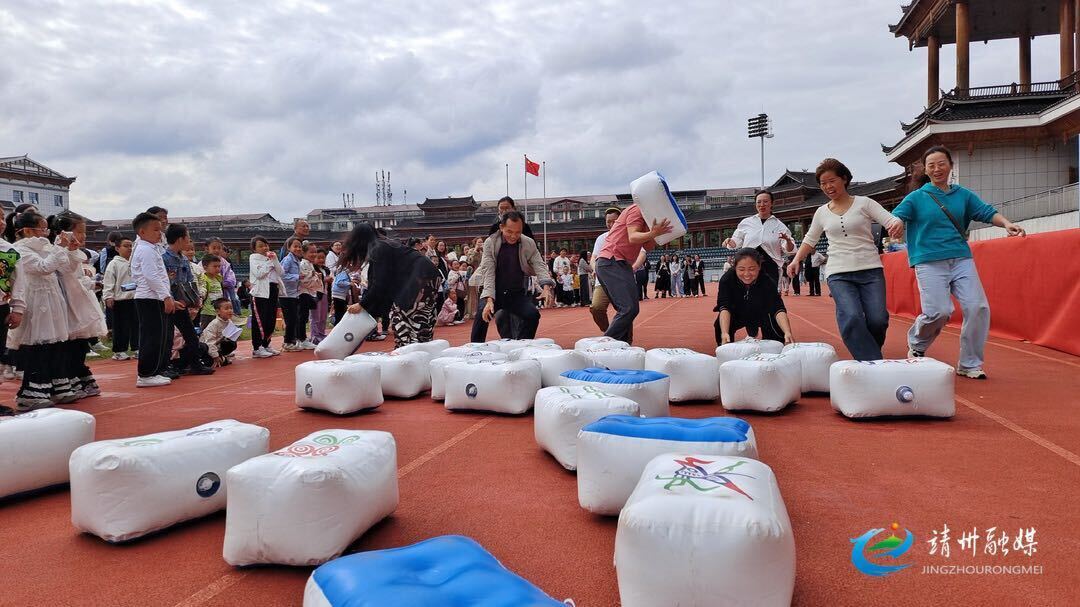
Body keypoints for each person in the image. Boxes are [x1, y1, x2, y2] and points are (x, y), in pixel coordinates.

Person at [891, 145, 1026, 379]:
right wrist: (896, 224)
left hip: (961, 258)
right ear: (926, 169)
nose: (937, 169)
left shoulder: (962, 194)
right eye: (931, 165)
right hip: (929, 260)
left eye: (941, 163)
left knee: (978, 307)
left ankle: (970, 363)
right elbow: (896, 217)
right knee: (939, 312)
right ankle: (917, 343)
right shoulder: (916, 197)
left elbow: (985, 211)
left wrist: (1006, 223)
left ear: (951, 166)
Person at [786, 158, 903, 361]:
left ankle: (870, 355)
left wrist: (897, 223)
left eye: (832, 181)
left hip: (870, 269)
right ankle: (872, 362)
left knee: (878, 319)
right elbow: (810, 239)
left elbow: (890, 219)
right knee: (851, 317)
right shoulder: (821, 212)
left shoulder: (865, 203)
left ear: (845, 179)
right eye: (823, 183)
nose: (828, 187)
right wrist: (796, 259)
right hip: (839, 272)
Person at [337, 222, 440, 348]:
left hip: (418, 279)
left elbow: (380, 282)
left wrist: (362, 304)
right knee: (421, 322)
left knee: (405, 321)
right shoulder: (384, 245)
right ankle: (420, 351)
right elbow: (378, 282)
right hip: (428, 276)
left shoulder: (379, 248)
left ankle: (409, 352)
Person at [594, 202, 672, 343]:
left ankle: (624, 345)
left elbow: (647, 246)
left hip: (621, 264)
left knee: (629, 309)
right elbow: (633, 237)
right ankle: (605, 344)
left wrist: (655, 234)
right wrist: (653, 233)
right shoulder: (637, 209)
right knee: (628, 308)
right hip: (612, 261)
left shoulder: (648, 217)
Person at [470, 211, 555, 342]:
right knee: (482, 315)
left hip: (515, 293)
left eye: (518, 232)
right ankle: (475, 349)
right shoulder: (490, 242)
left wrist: (546, 287)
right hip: (495, 292)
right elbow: (489, 271)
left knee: (532, 315)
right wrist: (489, 299)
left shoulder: (528, 243)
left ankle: (522, 345)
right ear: (501, 227)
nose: (513, 236)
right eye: (509, 232)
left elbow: (539, 264)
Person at [130, 212, 176, 387]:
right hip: (149, 297)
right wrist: (166, 296)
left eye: (161, 229)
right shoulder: (145, 249)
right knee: (151, 336)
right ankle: (146, 374)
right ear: (142, 232)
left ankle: (153, 371)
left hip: (153, 296)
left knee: (157, 336)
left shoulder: (150, 248)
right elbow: (151, 276)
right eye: (156, 230)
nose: (160, 233)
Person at [163, 224, 214, 375]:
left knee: (190, 334)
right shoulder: (163, 258)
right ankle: (167, 366)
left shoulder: (183, 259)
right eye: (188, 238)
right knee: (167, 336)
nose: (189, 241)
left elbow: (190, 280)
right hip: (169, 303)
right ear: (180, 239)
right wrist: (170, 299)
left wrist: (195, 297)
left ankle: (194, 363)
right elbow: (163, 281)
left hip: (183, 303)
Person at [715, 249, 794, 345]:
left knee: (775, 325)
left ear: (759, 267)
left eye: (752, 269)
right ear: (735, 267)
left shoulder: (767, 281)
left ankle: (776, 345)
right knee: (720, 325)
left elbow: (777, 308)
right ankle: (724, 345)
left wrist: (787, 331)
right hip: (737, 313)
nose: (747, 274)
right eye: (741, 269)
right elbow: (724, 307)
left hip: (761, 314)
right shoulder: (727, 280)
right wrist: (724, 332)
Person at [724, 191, 796, 285]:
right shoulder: (746, 222)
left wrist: (787, 241)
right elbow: (736, 242)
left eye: (765, 201)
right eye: (759, 202)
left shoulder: (780, 226)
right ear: (755, 204)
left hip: (770, 266)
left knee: (769, 296)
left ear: (772, 203)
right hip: (748, 265)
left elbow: (790, 250)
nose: (762, 205)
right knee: (745, 294)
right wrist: (729, 241)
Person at [248, 236, 285, 358]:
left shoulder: (271, 258)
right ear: (254, 249)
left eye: (266, 245)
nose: (264, 248)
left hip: (273, 289)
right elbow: (259, 274)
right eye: (260, 246)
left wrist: (274, 260)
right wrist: (269, 262)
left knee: (270, 319)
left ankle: (266, 344)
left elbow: (281, 272)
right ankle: (257, 347)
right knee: (260, 319)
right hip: (260, 292)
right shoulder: (253, 258)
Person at [102, 236, 138, 360]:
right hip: (120, 299)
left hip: (135, 298)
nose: (129, 248)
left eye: (131, 246)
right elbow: (108, 281)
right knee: (121, 326)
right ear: (117, 248)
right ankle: (119, 350)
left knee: (136, 325)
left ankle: (136, 348)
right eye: (126, 246)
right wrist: (108, 296)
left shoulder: (135, 262)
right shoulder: (114, 264)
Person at [278, 236, 304, 352]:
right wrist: (297, 277)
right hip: (286, 294)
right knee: (291, 319)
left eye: (299, 246)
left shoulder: (297, 260)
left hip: (294, 293)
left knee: (294, 318)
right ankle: (288, 342)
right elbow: (282, 275)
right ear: (289, 248)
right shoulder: (288, 260)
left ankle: (291, 340)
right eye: (295, 246)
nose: (298, 248)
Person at [199, 298, 238, 367]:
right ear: (218, 312)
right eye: (226, 309)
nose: (230, 311)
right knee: (210, 363)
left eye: (231, 308)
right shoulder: (214, 324)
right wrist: (215, 356)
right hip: (206, 348)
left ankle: (221, 356)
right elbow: (209, 342)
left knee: (232, 343)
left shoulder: (229, 322)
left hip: (217, 345)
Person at [297, 242, 321, 350]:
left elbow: (313, 282)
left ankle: (302, 338)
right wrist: (314, 278)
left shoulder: (310, 264)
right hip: (303, 293)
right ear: (304, 253)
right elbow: (304, 281)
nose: (314, 254)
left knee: (304, 316)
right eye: (311, 252)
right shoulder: (303, 264)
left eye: (315, 252)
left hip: (309, 292)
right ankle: (301, 339)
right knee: (302, 316)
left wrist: (314, 278)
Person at [309, 248, 332, 344]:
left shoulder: (326, 269)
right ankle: (314, 336)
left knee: (323, 316)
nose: (321, 260)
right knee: (315, 316)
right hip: (315, 294)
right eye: (319, 258)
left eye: (323, 258)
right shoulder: (312, 269)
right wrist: (325, 280)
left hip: (325, 294)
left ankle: (321, 333)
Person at [197, 254, 225, 330]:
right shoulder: (204, 279)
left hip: (218, 312)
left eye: (219, 266)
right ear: (205, 267)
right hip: (207, 313)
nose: (218, 269)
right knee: (207, 333)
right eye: (215, 266)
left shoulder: (218, 278)